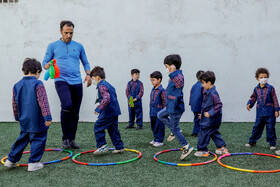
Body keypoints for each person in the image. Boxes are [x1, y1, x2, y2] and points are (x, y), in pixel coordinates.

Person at [42, 20, 92, 149]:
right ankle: (65, 138)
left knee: (75, 111)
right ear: (60, 32)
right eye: (66, 33)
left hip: (77, 81)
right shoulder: (52, 46)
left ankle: (71, 139)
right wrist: (47, 65)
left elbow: (86, 63)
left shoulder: (79, 46)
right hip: (61, 80)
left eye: (71, 33)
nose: (69, 35)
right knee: (67, 105)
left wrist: (88, 74)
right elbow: (44, 63)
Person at [4, 58, 52, 171]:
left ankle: (11, 160)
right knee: (38, 139)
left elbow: (14, 103)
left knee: (22, 139)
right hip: (37, 120)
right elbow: (42, 101)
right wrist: (47, 116)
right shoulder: (38, 83)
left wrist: (17, 117)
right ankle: (33, 163)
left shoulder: (17, 85)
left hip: (24, 119)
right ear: (37, 71)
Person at [157, 54, 194, 160]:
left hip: (175, 108)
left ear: (172, 66)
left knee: (175, 128)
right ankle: (173, 131)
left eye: (166, 66)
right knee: (160, 115)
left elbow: (179, 83)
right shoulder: (173, 75)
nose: (166, 69)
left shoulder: (178, 76)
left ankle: (186, 146)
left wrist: (171, 72)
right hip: (170, 106)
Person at [90, 66, 124, 154]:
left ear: (98, 77)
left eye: (93, 79)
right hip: (114, 110)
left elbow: (107, 98)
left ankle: (102, 145)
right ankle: (119, 147)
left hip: (108, 111)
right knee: (112, 129)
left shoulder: (101, 86)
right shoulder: (108, 84)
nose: (93, 81)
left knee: (98, 126)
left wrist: (99, 108)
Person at [194, 71, 229, 157]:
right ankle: (222, 147)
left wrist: (210, 113)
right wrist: (202, 115)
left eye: (203, 83)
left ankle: (203, 150)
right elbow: (208, 105)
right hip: (211, 119)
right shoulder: (208, 91)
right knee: (213, 132)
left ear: (209, 82)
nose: (202, 85)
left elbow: (219, 104)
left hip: (210, 120)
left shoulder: (213, 93)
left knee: (204, 132)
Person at [246, 68, 279, 151]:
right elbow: (253, 97)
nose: (263, 79)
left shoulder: (271, 88)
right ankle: (252, 141)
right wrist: (249, 104)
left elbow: (275, 99)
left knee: (271, 127)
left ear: (267, 77)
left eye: (265, 77)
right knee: (256, 127)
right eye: (261, 77)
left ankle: (272, 143)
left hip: (270, 113)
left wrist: (276, 110)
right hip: (260, 112)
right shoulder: (256, 89)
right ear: (257, 78)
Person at [149, 71, 166, 147]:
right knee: (153, 126)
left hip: (159, 113)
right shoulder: (153, 90)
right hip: (152, 112)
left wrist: (164, 113)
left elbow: (165, 102)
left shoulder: (162, 90)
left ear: (159, 79)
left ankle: (160, 140)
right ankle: (156, 139)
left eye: (153, 80)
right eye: (151, 80)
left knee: (159, 126)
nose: (152, 82)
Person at [189, 70, 204, 137]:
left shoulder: (194, 86)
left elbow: (191, 94)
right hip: (200, 105)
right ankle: (199, 132)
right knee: (201, 119)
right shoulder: (203, 86)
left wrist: (190, 103)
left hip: (194, 106)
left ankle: (195, 132)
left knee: (196, 119)